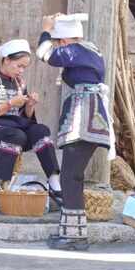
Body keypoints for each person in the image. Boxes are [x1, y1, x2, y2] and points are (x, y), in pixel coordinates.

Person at [36, 13, 116, 251]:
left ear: (65, 41)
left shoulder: (78, 51)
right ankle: (73, 233)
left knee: (70, 175)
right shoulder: (88, 51)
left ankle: (75, 237)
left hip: (84, 116)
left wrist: (46, 30)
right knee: (72, 175)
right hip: (88, 114)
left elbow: (45, 54)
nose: (59, 46)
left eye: (59, 42)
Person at [0, 39, 62, 205]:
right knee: (16, 134)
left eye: (24, 68)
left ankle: (54, 180)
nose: (21, 71)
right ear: (6, 60)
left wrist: (29, 106)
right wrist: (11, 103)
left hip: (14, 130)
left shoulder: (20, 83)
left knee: (41, 130)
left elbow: (24, 118)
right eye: (18, 66)